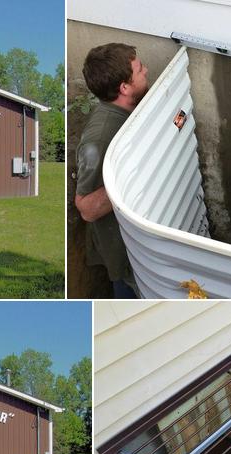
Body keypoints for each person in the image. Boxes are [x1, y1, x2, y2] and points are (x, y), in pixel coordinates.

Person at [75, 43, 149, 298]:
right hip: (127, 260)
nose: (146, 71)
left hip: (142, 246)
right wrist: (135, 174)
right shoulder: (99, 138)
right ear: (124, 88)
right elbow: (86, 208)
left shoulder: (130, 109)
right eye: (140, 70)